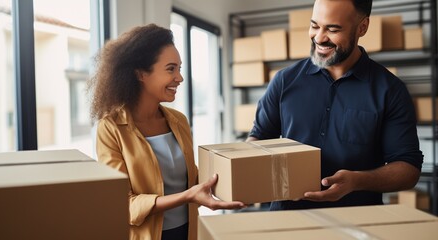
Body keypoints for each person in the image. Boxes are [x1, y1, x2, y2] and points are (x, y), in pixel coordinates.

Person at [247, 0, 423, 211]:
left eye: (332, 29)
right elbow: (257, 140)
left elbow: (408, 169)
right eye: (314, 26)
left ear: (362, 27)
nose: (319, 37)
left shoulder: (390, 90)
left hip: (358, 222)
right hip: (286, 218)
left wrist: (358, 181)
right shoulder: (284, 81)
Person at [88, 24, 244, 240]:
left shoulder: (178, 121)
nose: (179, 78)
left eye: (179, 69)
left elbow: (191, 178)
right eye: (171, 69)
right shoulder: (111, 129)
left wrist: (235, 176)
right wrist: (188, 196)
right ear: (141, 73)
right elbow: (125, 204)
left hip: (189, 232)